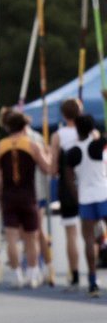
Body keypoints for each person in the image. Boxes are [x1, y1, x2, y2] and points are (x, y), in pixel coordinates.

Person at [0, 109, 53, 288]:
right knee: (30, 237)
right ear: (24, 126)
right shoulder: (32, 145)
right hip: (28, 194)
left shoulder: (0, 146)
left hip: (9, 195)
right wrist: (48, 154)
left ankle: (17, 274)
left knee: (11, 237)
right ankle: (32, 274)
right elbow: (47, 168)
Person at [62, 113, 107, 297]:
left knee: (89, 239)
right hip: (104, 193)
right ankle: (92, 279)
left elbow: (68, 178)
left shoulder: (71, 151)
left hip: (86, 197)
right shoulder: (98, 144)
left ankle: (92, 280)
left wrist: (77, 197)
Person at [49, 98, 83, 289]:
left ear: (63, 115)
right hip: (87, 186)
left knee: (71, 232)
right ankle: (92, 273)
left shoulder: (59, 135)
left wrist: (52, 170)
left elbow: (53, 167)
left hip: (67, 187)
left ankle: (75, 273)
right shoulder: (92, 133)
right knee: (91, 231)